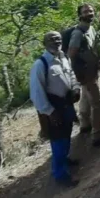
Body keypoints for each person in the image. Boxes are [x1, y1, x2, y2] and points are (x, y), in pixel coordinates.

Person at [30, 31, 81, 187]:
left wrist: (76, 88)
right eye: (51, 39)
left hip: (67, 102)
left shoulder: (63, 57)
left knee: (67, 134)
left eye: (58, 39)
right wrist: (49, 112)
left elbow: (71, 74)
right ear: (44, 43)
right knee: (58, 140)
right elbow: (36, 92)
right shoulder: (41, 64)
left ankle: (65, 159)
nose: (56, 41)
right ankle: (61, 174)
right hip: (54, 107)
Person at [67, 4, 100, 147]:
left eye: (91, 11)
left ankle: (85, 124)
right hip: (85, 74)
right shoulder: (78, 33)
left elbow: (91, 48)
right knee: (98, 104)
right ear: (80, 15)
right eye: (85, 11)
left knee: (85, 97)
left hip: (91, 71)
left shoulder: (91, 29)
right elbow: (71, 53)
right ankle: (98, 135)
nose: (89, 13)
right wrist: (80, 70)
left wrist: (97, 60)